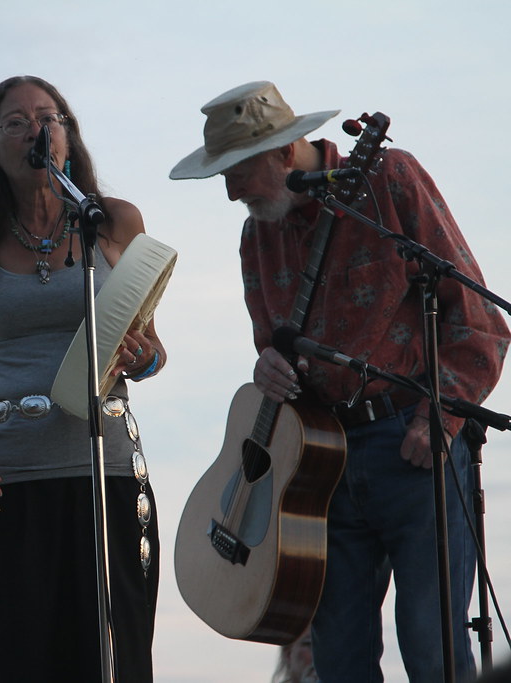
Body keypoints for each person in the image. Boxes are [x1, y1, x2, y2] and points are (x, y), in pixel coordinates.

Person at [170, 81, 509, 682]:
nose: (229, 193)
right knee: (339, 663)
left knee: (435, 652)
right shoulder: (257, 235)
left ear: (282, 153)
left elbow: (479, 320)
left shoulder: (389, 180)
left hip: (413, 446)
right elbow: (277, 346)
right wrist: (267, 368)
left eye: (236, 173)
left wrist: (442, 415)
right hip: (318, 470)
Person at [0, 75, 165, 682]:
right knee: (21, 661)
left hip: (107, 472)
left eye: (50, 117)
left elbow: (151, 350)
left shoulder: (114, 220)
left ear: (68, 134)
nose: (37, 130)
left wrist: (141, 357)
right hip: (10, 480)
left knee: (114, 665)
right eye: (16, 122)